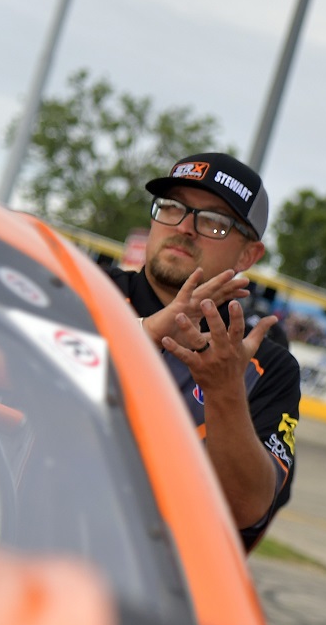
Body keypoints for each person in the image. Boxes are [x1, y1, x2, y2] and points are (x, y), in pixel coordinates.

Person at [109, 152, 301, 551]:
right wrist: (143, 333)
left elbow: (248, 509)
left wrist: (225, 391)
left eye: (214, 221)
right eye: (173, 207)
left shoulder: (265, 364)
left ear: (249, 255)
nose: (184, 228)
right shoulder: (87, 289)